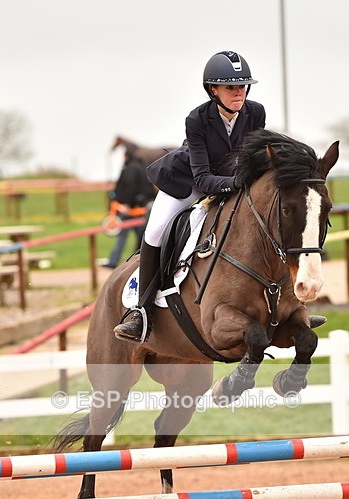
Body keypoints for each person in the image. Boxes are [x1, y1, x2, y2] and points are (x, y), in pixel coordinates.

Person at [113, 50, 266, 342]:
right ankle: (141, 312)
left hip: (232, 180)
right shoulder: (197, 119)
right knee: (155, 231)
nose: (239, 92)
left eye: (243, 86)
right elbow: (203, 178)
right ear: (213, 90)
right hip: (189, 182)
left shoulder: (255, 112)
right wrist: (238, 182)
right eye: (231, 87)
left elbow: (252, 157)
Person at [101, 148, 156, 269]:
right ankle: (141, 261)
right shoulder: (143, 168)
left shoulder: (130, 169)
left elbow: (129, 187)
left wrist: (125, 203)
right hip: (142, 208)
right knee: (142, 238)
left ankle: (113, 261)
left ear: (126, 156)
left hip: (130, 210)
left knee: (122, 237)